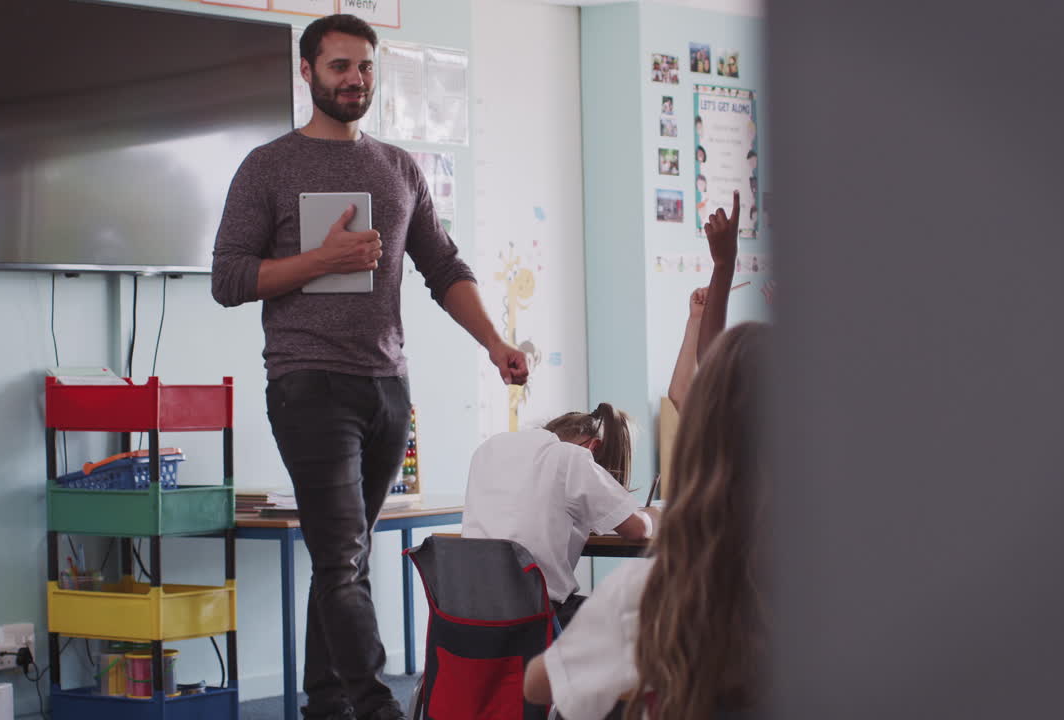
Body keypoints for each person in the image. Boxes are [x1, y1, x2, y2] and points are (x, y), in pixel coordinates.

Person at [210, 14, 527, 720]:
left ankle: (327, 704)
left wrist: (494, 343)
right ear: (307, 73)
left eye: (364, 68)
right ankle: (379, 705)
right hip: (307, 384)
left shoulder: (397, 167)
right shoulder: (268, 166)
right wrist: (322, 259)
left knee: (342, 560)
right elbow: (227, 278)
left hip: (387, 389)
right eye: (339, 67)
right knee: (342, 559)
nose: (355, 79)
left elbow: (443, 267)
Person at [523, 201, 750, 720]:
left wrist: (722, 270)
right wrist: (711, 291)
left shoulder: (655, 596)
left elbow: (540, 687)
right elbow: (694, 390)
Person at [461, 403, 655, 629]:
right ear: (593, 447)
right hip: (532, 615)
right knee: (636, 619)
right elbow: (638, 529)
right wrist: (650, 515)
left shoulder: (490, 448)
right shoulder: (574, 457)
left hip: (468, 609)